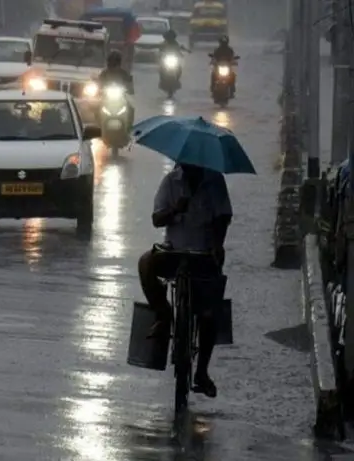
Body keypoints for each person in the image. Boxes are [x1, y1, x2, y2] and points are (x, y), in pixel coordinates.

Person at [138, 163, 233, 398]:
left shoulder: (215, 182)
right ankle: (163, 314)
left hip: (203, 255)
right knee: (145, 263)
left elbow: (224, 216)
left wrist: (217, 245)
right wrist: (174, 210)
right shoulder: (171, 181)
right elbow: (156, 218)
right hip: (174, 252)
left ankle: (202, 371)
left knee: (209, 312)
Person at [97, 50, 135, 125]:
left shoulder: (123, 73)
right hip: (106, 97)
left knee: (131, 107)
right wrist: (100, 90)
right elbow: (99, 84)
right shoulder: (104, 73)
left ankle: (129, 126)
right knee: (96, 106)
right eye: (111, 61)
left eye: (116, 61)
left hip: (120, 97)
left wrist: (129, 90)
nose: (113, 64)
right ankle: (98, 124)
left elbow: (130, 86)